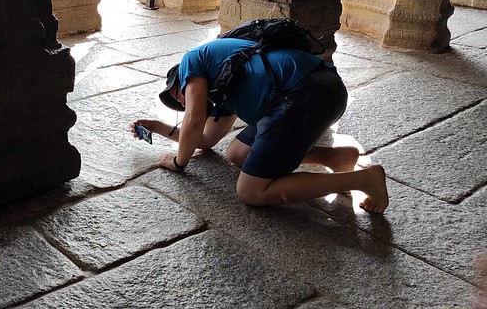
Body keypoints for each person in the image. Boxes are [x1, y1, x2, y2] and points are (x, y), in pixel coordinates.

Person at [131, 36, 389, 213]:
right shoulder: (222, 80)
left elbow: (194, 119)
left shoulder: (192, 60)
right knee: (238, 152)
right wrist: (157, 126)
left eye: (178, 95)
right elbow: (205, 139)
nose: (183, 102)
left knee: (251, 192)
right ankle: (336, 158)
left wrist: (178, 163)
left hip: (302, 97)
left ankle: (364, 179)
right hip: (322, 91)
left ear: (181, 79)